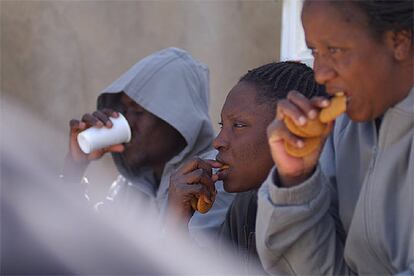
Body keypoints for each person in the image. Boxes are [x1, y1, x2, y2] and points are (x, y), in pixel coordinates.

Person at [257, 1, 414, 275]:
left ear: (398, 42)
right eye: (315, 51)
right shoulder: (344, 131)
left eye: (335, 50)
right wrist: (296, 179)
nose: (320, 73)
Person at [62, 47, 234, 246]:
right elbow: (84, 250)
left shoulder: (212, 179)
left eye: (138, 112)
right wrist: (74, 167)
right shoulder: (133, 184)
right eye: (124, 110)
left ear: (179, 120)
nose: (127, 122)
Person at [166, 61, 326, 274]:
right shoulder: (246, 206)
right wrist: (175, 221)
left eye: (239, 125)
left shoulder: (326, 205)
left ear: (292, 131)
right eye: (222, 126)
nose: (218, 142)